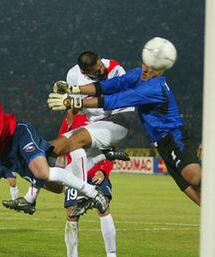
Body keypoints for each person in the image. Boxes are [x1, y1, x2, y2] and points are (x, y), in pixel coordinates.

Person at [0, 65, 109, 216]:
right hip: (5, 156)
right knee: (56, 187)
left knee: (42, 172)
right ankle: (99, 157)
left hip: (18, 134)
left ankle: (93, 193)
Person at [48, 37, 201, 207]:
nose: (145, 68)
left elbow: (116, 100)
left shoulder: (154, 88)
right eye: (145, 63)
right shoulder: (138, 75)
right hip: (163, 145)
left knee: (194, 177)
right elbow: (109, 86)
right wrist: (73, 89)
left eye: (151, 67)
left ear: (160, 71)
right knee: (197, 196)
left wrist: (74, 102)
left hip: (174, 138)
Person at [4, 52, 124, 257]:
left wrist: (104, 170)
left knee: (103, 207)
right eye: (94, 73)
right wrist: (69, 121)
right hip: (78, 160)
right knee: (71, 213)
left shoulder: (115, 70)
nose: (100, 72)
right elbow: (70, 115)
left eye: (99, 69)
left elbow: (116, 111)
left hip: (98, 151)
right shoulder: (73, 80)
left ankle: (111, 255)